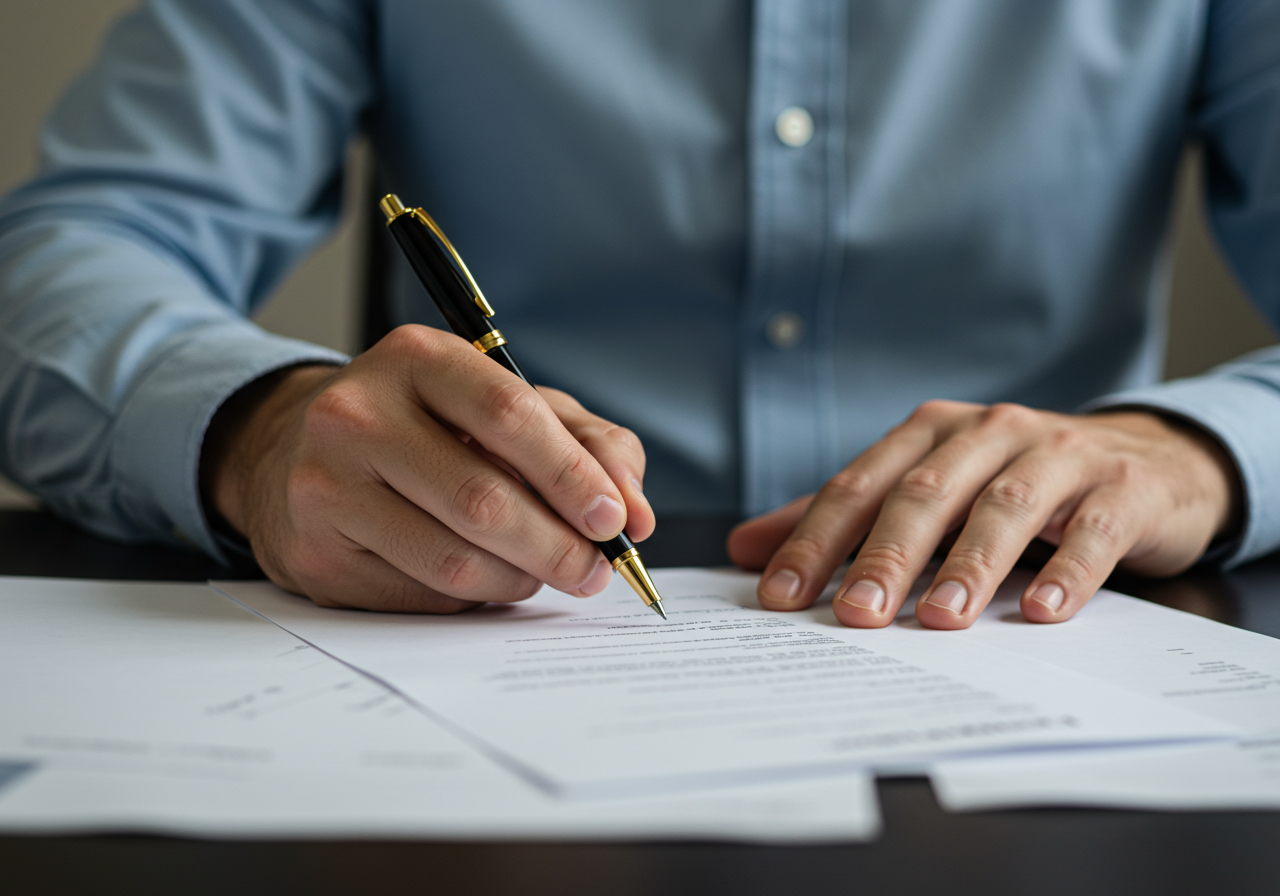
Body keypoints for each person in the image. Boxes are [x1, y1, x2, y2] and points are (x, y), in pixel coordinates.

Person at [1, 1, 1276, 631]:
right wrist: (256, 427)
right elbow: (72, 249)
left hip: (1025, 635)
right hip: (482, 648)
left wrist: (1196, 452)